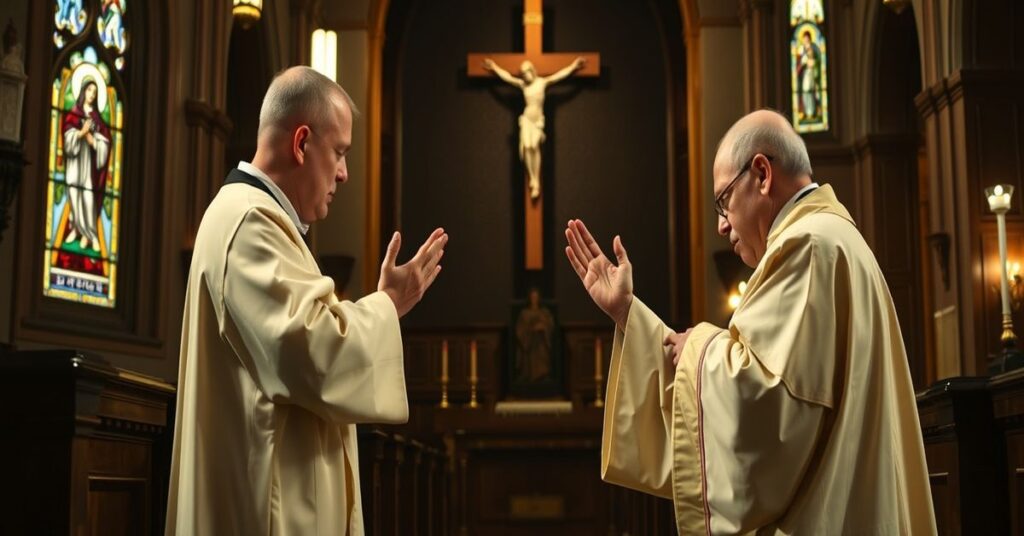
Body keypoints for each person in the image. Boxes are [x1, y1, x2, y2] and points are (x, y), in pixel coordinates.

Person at [564, 109, 935, 534]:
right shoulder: (833, 239)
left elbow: (764, 407)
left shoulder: (807, 246)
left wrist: (701, 345)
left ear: (761, 174)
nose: (721, 226)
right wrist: (628, 312)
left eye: (723, 201)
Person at [166, 66, 449, 535]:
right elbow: (315, 353)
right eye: (340, 152)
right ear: (301, 143)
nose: (344, 173)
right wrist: (388, 304)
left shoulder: (260, 219)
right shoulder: (249, 223)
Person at [483, 56, 585, 200]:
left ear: (532, 70)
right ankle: (532, 178)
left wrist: (573, 66)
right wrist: (494, 68)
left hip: (537, 121)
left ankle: (536, 178)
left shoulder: (542, 83)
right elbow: (507, 77)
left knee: (534, 147)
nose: (525, 76)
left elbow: (559, 75)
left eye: (527, 72)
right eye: (523, 73)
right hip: (527, 120)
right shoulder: (523, 85)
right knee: (526, 147)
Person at [62, 76, 110, 251]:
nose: (92, 94)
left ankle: (90, 234)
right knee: (74, 193)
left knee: (88, 197)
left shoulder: (96, 118)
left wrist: (93, 141)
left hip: (88, 165)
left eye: (95, 92)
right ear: (83, 91)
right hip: (75, 162)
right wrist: (80, 133)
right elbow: (67, 134)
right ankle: (76, 229)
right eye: (89, 90)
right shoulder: (74, 112)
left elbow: (105, 141)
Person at [515, 287, 555, 382]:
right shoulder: (524, 313)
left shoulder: (544, 313)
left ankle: (543, 375)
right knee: (528, 359)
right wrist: (531, 329)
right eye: (532, 297)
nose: (534, 299)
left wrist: (543, 327)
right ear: (529, 298)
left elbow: (550, 325)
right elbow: (520, 330)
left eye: (536, 297)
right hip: (529, 344)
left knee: (542, 355)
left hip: (541, 343)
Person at [797, 30, 821, 122]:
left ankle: (812, 112)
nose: (805, 40)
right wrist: (803, 62)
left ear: (810, 39)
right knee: (805, 91)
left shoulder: (814, 47)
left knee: (811, 91)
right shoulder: (801, 49)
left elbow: (819, 59)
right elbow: (799, 62)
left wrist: (814, 63)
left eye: (807, 39)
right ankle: (806, 111)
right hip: (805, 73)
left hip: (812, 73)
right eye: (804, 39)